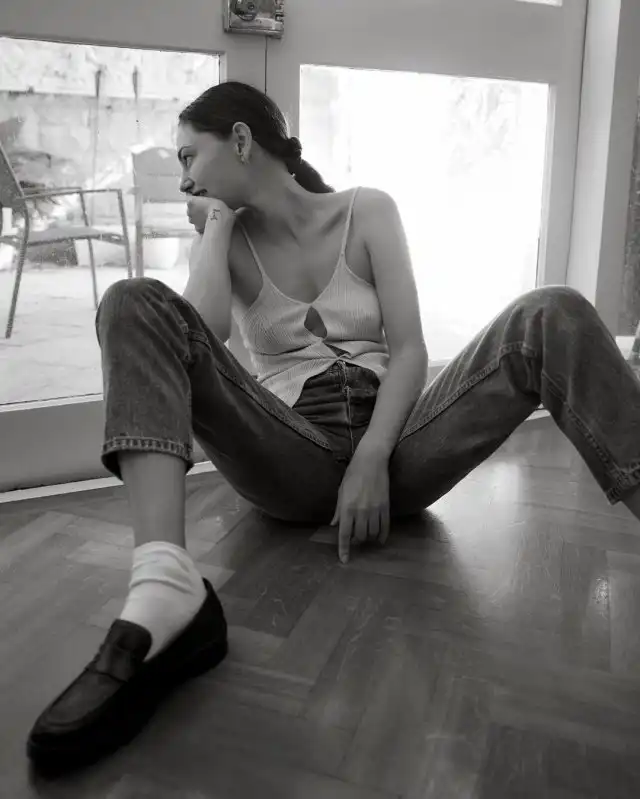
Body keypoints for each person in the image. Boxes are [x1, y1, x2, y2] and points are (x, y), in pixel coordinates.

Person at [27, 80, 640, 770]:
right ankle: (164, 585)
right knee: (134, 299)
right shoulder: (227, 239)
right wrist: (218, 229)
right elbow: (198, 333)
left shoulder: (367, 211)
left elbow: (409, 350)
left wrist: (374, 456)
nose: (184, 181)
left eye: (189, 156)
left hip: (400, 446)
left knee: (551, 310)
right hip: (291, 452)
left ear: (240, 140)